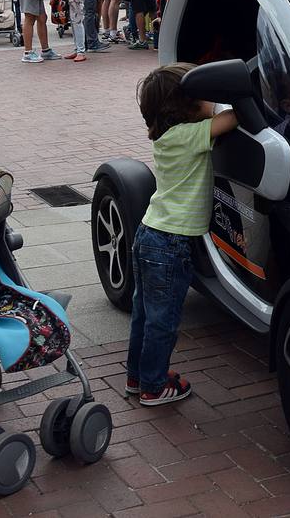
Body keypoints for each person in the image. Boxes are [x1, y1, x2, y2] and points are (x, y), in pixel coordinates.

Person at [127, 63, 237, 405]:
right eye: (206, 95)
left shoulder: (168, 136)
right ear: (186, 105)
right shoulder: (192, 136)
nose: (212, 100)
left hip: (150, 233)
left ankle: (139, 375)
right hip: (169, 243)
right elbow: (235, 117)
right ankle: (154, 387)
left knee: (144, 314)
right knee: (164, 320)